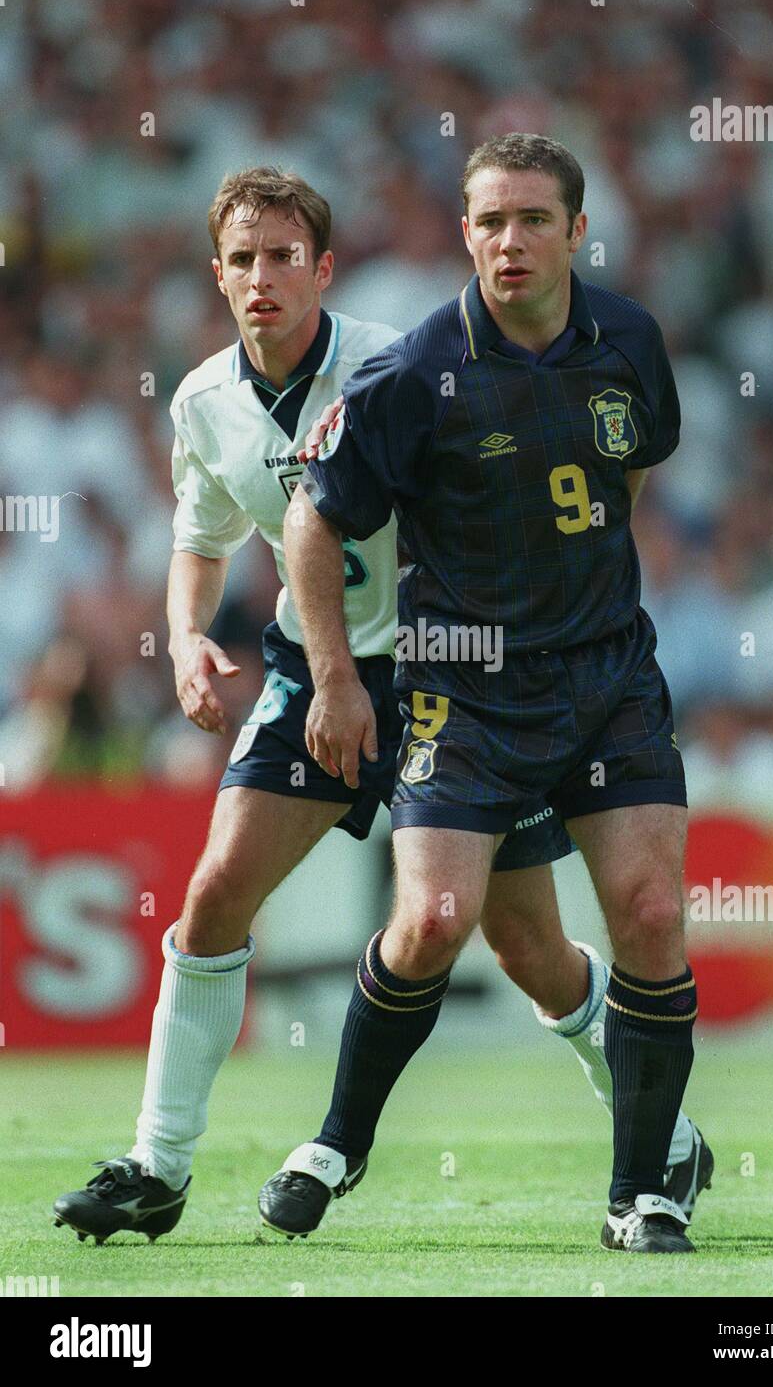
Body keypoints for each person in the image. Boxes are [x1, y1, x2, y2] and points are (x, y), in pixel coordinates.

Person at [52, 164, 709, 1248]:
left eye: (281, 255)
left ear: (322, 266)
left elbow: (586, 480)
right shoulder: (203, 399)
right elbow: (200, 538)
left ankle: (661, 1139)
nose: (261, 277)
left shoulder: (394, 364)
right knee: (216, 890)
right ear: (215, 276)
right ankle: (157, 1167)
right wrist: (183, 638)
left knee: (525, 948)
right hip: (323, 673)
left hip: (460, 676)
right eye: (241, 259)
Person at [278, 134, 705, 1254]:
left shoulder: (631, 341)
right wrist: (333, 676)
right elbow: (313, 519)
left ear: (575, 232)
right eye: (488, 222)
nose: (509, 241)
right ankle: (338, 1139)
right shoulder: (418, 371)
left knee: (652, 913)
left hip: (607, 674)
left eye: (531, 219)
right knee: (430, 923)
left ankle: (641, 1197)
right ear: (464, 232)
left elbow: (629, 470)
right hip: (461, 689)